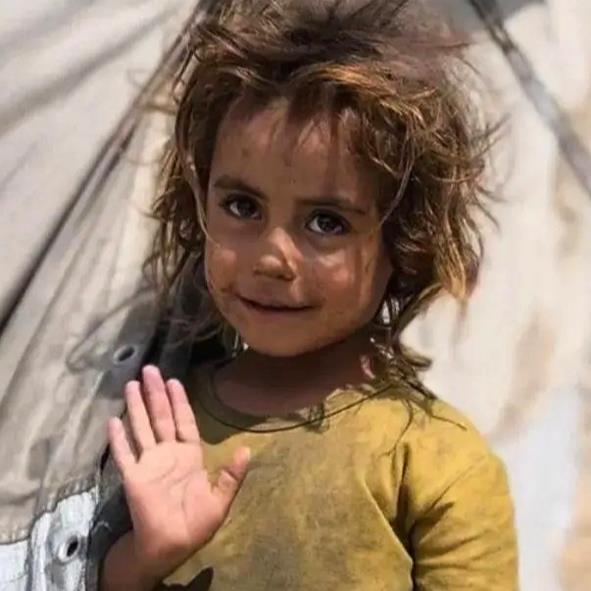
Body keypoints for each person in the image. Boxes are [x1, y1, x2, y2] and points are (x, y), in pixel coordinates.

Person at [100, 0, 518, 589]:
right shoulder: (165, 421)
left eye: (326, 222)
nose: (272, 258)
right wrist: (143, 560)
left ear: (404, 241)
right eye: (242, 206)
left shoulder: (431, 461)